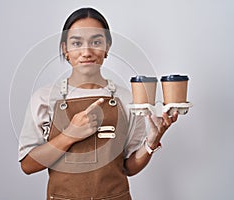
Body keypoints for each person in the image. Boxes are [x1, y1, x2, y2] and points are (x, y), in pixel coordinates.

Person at [18, 7, 178, 200]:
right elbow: (28, 165)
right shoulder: (44, 98)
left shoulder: (127, 99)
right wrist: (69, 135)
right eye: (77, 43)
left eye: (96, 42)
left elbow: (128, 167)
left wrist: (151, 142)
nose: (86, 52)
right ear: (65, 49)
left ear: (107, 47)